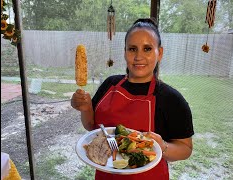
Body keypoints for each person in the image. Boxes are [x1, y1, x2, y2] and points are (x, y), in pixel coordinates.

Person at [71, 17, 194, 180]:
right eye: (132, 49)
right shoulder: (110, 84)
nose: (138, 56)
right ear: (125, 52)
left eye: (147, 49)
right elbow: (91, 126)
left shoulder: (171, 99)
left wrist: (162, 146)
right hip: (106, 174)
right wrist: (85, 108)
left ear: (160, 53)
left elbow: (185, 148)